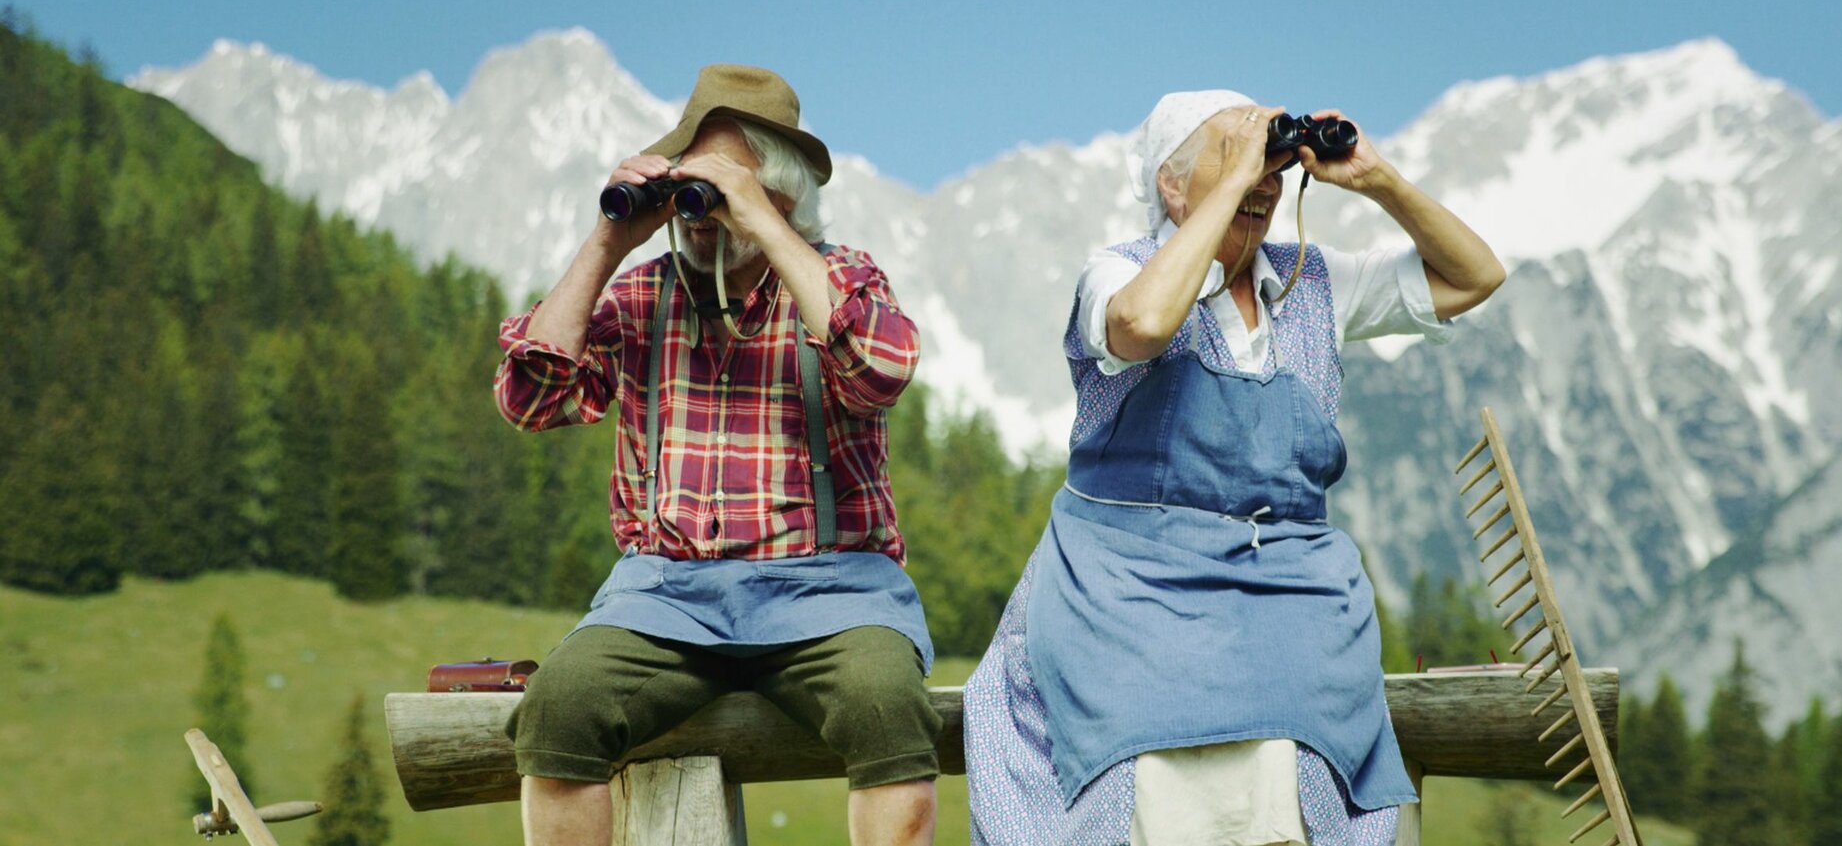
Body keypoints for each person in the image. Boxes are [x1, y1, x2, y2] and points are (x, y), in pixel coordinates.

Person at [963, 90, 1506, 846]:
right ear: (1171, 183)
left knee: (1309, 751)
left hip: (1287, 587)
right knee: (1133, 749)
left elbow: (1475, 275)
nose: (1261, 179)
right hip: (1128, 586)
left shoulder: (1313, 279)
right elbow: (1144, 324)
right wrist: (1230, 186)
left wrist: (1379, 179)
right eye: (1234, 155)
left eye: (1271, 162)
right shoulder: (1118, 272)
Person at [492, 64, 938, 846]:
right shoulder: (643, 295)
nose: (698, 216)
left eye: (719, 192)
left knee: (886, 707)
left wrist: (764, 225)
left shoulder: (839, 280)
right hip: (666, 591)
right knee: (562, 707)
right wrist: (608, 240)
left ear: (785, 197)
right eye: (689, 194)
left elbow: (883, 367)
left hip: (830, 590)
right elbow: (528, 398)